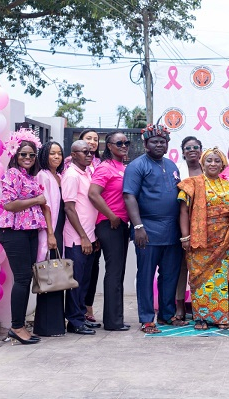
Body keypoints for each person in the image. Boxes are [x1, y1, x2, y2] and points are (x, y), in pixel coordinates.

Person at [178, 147, 229, 330]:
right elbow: (183, 211)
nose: (213, 164)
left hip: (227, 240)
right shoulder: (191, 183)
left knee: (221, 280)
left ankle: (221, 317)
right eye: (209, 160)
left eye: (217, 161)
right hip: (200, 240)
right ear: (202, 163)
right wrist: (185, 237)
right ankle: (202, 318)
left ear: (222, 165)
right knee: (201, 280)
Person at [123, 124, 185, 334]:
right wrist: (138, 226)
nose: (159, 144)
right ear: (146, 144)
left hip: (172, 230)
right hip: (147, 229)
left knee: (170, 275)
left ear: (167, 145)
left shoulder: (172, 165)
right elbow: (129, 196)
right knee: (146, 276)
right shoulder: (137, 166)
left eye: (163, 141)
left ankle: (167, 315)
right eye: (154, 141)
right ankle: (147, 319)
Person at [0, 130, 52, 345]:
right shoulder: (12, 173)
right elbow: (9, 204)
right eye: (23, 155)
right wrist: (37, 199)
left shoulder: (29, 176)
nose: (27, 158)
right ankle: (17, 326)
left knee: (26, 278)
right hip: (13, 232)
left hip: (28, 232)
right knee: (22, 279)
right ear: (15, 155)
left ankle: (19, 324)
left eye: (31, 155)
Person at [88, 132, 131, 331]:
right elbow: (93, 194)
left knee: (119, 272)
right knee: (114, 273)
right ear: (110, 146)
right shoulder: (104, 167)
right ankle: (113, 323)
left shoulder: (123, 167)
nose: (124, 145)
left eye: (126, 142)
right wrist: (112, 216)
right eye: (119, 143)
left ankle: (116, 318)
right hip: (109, 224)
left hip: (121, 224)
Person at [64, 129, 102, 324]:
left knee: (85, 281)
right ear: (73, 155)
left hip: (89, 236)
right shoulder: (71, 175)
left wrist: (92, 237)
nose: (89, 154)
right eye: (84, 152)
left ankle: (81, 316)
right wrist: (84, 237)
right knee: (76, 282)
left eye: (90, 152)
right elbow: (69, 209)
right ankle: (75, 321)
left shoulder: (87, 171)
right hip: (76, 239)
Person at [33, 141, 67, 337]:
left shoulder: (59, 176)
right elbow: (45, 206)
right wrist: (50, 233)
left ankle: (56, 325)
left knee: (57, 277)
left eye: (59, 154)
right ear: (44, 155)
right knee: (48, 277)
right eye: (52, 153)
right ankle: (45, 327)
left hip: (60, 229)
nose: (56, 157)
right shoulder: (43, 176)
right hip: (50, 230)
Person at [174, 136, 203, 323]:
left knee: (202, 268)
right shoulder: (176, 170)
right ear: (183, 152)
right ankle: (179, 306)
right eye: (188, 147)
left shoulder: (209, 168)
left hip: (204, 227)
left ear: (201, 150)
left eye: (195, 147)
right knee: (180, 268)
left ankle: (200, 305)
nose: (192, 150)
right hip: (178, 224)